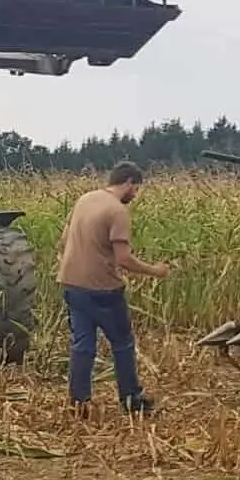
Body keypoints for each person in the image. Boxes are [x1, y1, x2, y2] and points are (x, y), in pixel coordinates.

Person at [56, 162, 175, 417]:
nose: (136, 195)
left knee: (82, 345)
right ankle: (131, 399)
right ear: (129, 182)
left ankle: (79, 402)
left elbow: (64, 241)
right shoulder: (117, 211)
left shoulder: (85, 199)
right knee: (122, 343)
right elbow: (123, 259)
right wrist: (156, 270)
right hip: (103, 290)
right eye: (136, 189)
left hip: (71, 284)